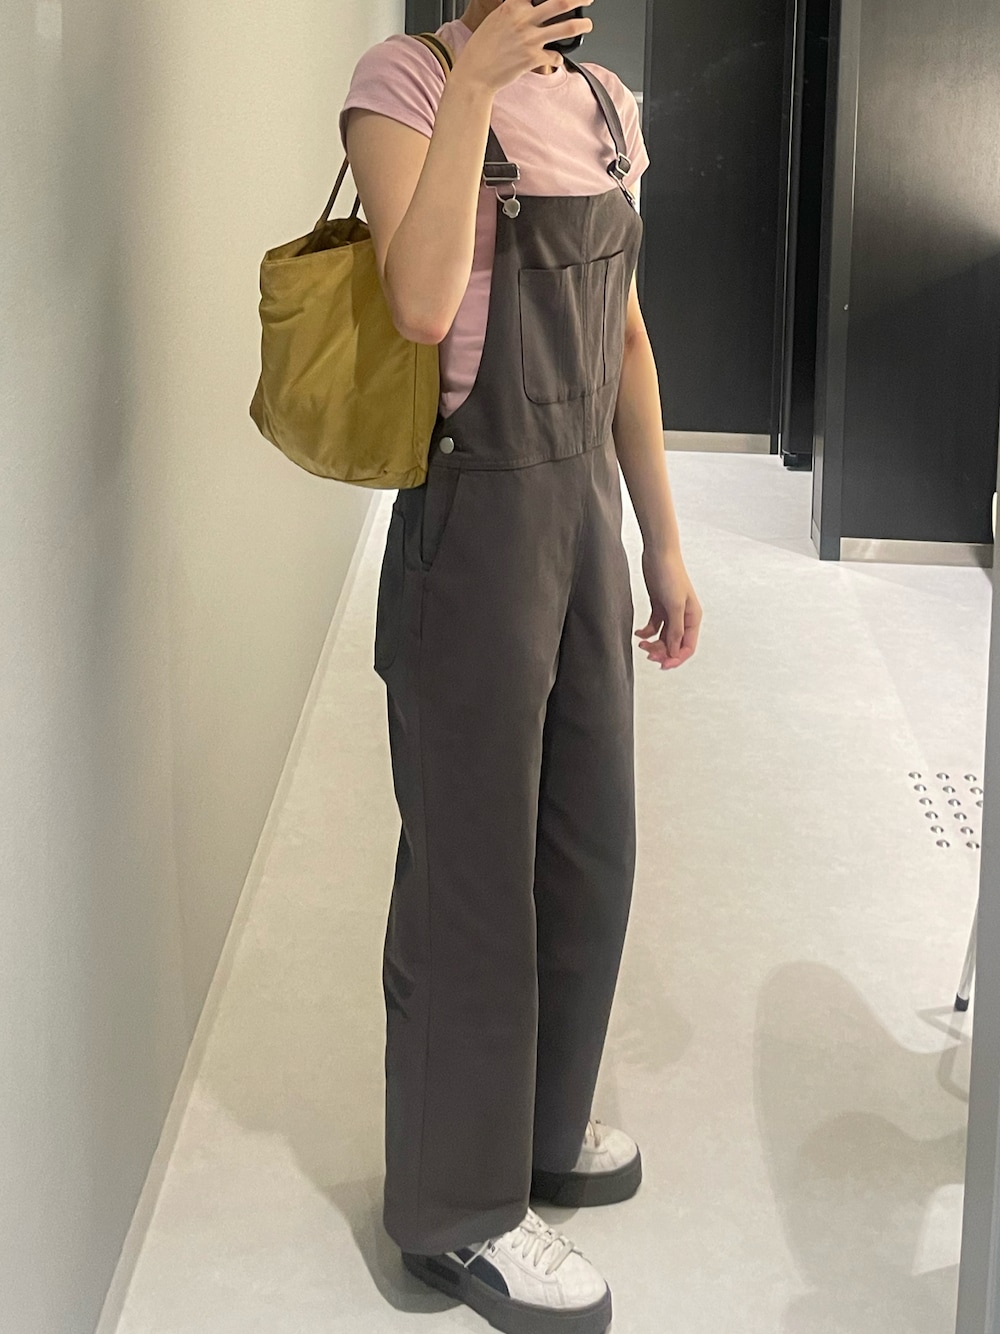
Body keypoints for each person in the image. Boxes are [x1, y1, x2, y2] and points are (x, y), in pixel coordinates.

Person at [340, 3, 702, 1330]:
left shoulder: (608, 104)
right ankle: (457, 1217)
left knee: (588, 846)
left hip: (582, 515)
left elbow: (626, 338)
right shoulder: (405, 82)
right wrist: (477, 86)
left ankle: (540, 1131)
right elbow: (422, 303)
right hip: (475, 514)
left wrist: (663, 541)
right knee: (471, 880)